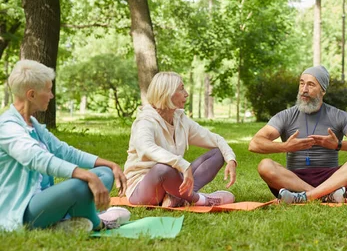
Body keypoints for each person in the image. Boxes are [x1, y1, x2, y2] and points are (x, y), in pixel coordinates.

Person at [0, 60, 130, 232]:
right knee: (81, 185)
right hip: (23, 212)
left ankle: (64, 222)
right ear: (31, 95)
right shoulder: (7, 127)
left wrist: (111, 165)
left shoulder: (33, 125)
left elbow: (65, 151)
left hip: (47, 202)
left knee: (104, 173)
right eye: (48, 89)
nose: (51, 95)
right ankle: (99, 223)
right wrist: (87, 176)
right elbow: (38, 159)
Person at [249, 65, 347, 203]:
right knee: (264, 165)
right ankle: (325, 195)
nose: (304, 90)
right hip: (294, 179)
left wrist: (338, 145)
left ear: (323, 90)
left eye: (311, 85)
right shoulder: (286, 116)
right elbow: (255, 144)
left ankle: (303, 197)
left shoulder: (338, 116)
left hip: (331, 178)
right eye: (302, 83)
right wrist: (285, 146)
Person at [124, 72, 237, 207]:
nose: (186, 94)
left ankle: (176, 198)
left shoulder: (180, 118)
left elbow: (215, 139)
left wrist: (230, 159)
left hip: (175, 181)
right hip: (142, 189)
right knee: (163, 169)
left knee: (218, 153)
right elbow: (146, 148)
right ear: (167, 93)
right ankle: (202, 200)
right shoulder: (145, 121)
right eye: (181, 88)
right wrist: (182, 164)